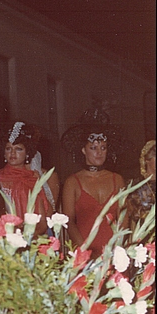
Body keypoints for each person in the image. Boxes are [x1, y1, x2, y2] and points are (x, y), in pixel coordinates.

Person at [60, 109, 127, 254]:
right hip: (84, 251)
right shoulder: (72, 182)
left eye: (103, 148)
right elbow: (69, 221)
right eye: (93, 148)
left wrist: (118, 249)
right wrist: (84, 251)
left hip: (114, 251)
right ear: (83, 150)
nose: (99, 152)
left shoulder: (117, 179)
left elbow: (124, 217)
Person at [0, 122, 52, 220]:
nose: (12, 153)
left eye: (18, 149)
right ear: (4, 153)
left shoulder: (32, 179)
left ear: (27, 153)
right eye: (8, 149)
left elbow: (46, 214)